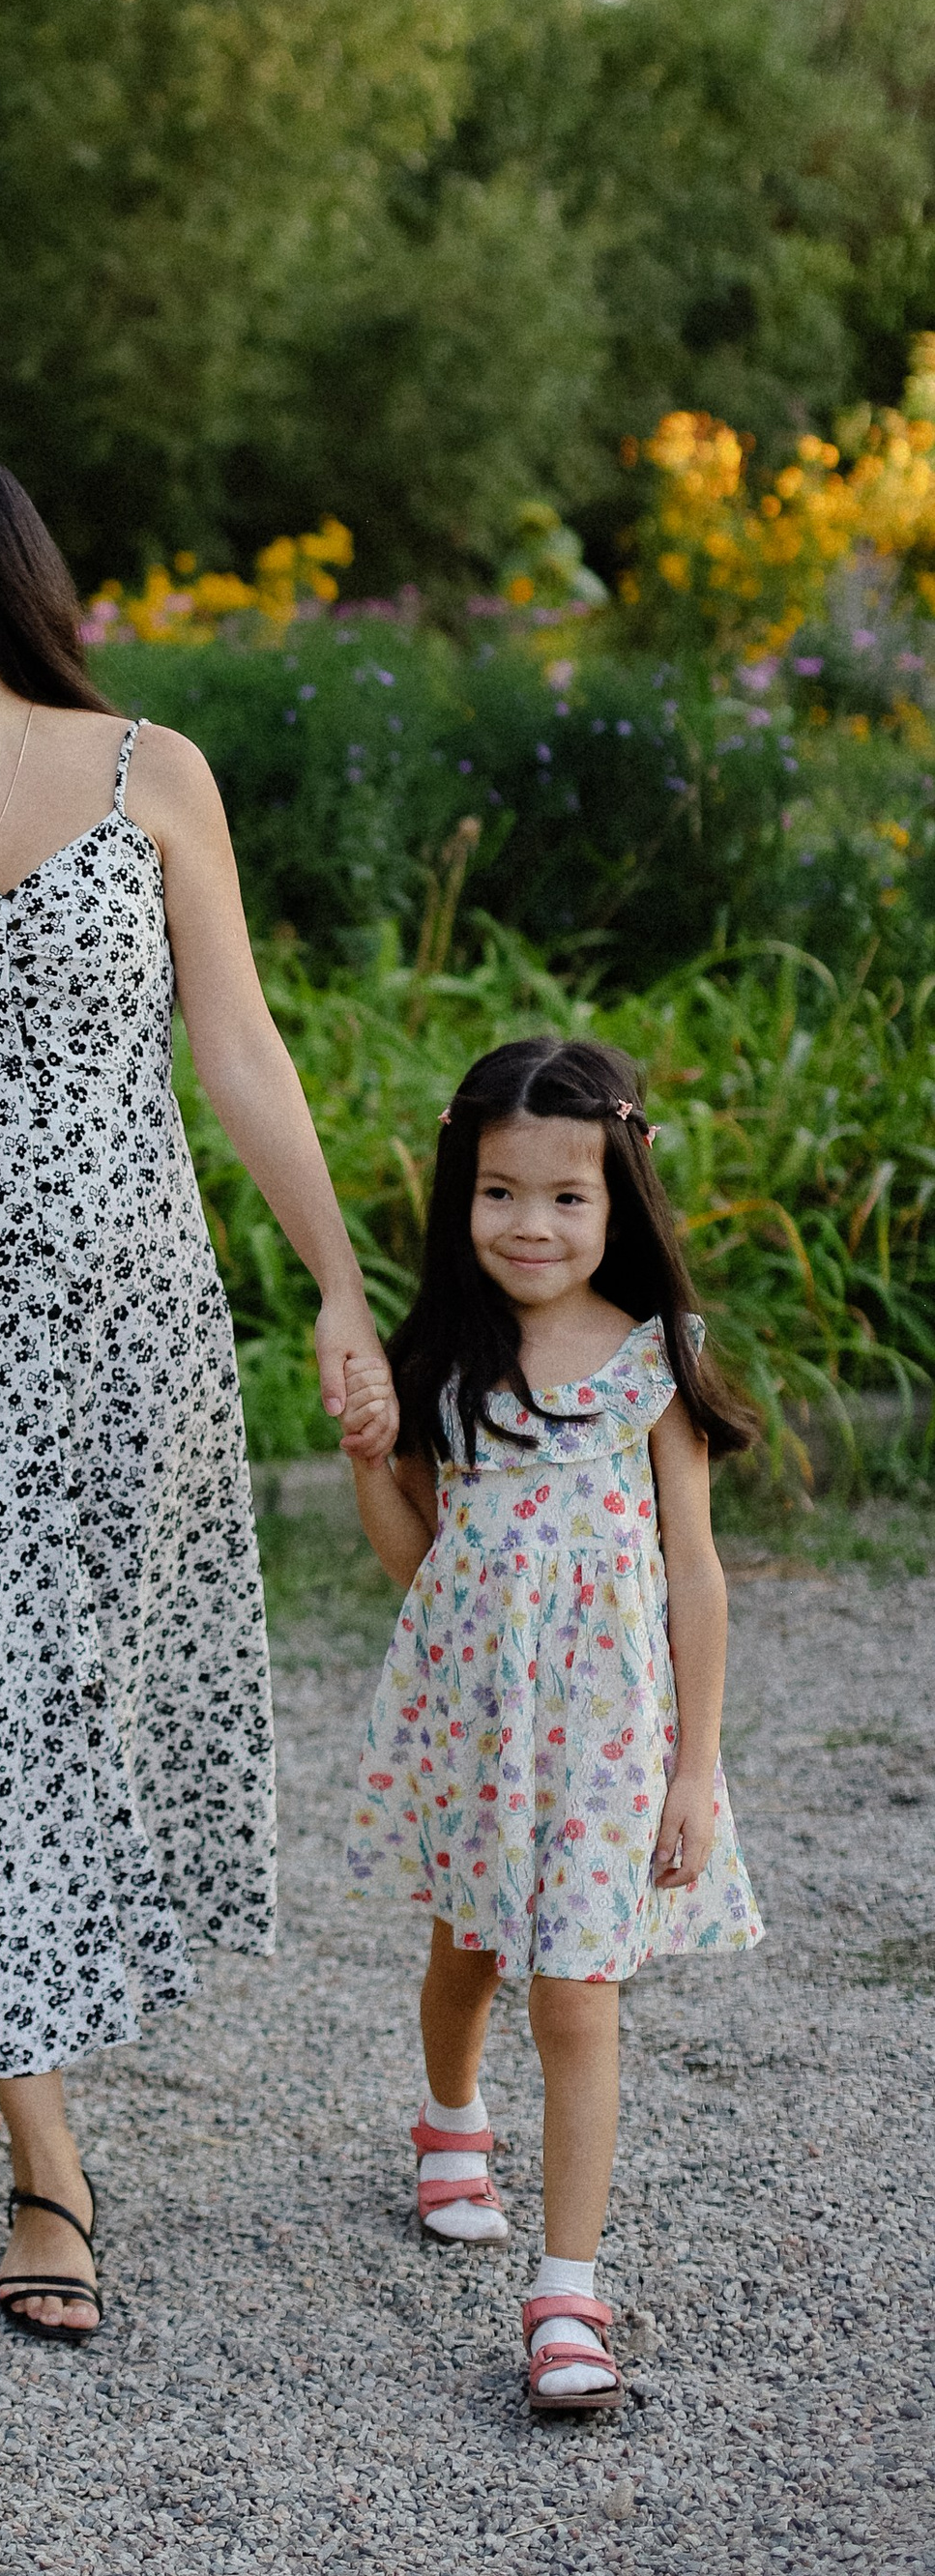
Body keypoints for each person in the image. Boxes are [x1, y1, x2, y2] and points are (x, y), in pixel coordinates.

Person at [0, 443, 396, 2342]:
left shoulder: (153, 773)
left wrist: (336, 1285)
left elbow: (238, 1046)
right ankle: (49, 2171)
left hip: (134, 1319)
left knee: (82, 1691)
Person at [344, 1033, 763, 2417]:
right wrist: (368, 1460)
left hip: (609, 1738)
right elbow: (421, 1564)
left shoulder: (655, 1360)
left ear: (617, 1197)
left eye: (567, 1196)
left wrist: (695, 1770)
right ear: (461, 1195)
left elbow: (693, 1569)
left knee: (577, 1994)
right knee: (469, 1946)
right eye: (500, 1192)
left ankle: (567, 2294)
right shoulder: (445, 1360)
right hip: (480, 1722)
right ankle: (450, 2120)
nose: (532, 1224)